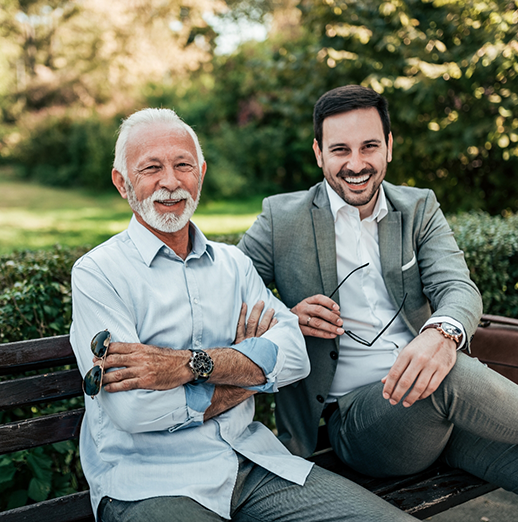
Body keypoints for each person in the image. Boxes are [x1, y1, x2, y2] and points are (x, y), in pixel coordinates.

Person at [70, 107, 416, 522]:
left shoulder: (233, 264)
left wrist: (187, 366)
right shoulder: (97, 274)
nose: (171, 181)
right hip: (150, 485)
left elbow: (294, 358)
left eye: (183, 165)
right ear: (122, 182)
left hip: (252, 464)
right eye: (151, 168)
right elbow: (134, 411)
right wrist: (252, 374)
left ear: (200, 172)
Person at [238, 85, 518, 493]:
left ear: (388, 146)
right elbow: (227, 295)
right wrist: (287, 317)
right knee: (447, 373)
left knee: (441, 368)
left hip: (443, 416)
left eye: (369, 146)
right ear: (319, 153)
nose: (356, 164)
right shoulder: (281, 218)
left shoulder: (418, 208)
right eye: (340, 150)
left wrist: (440, 334)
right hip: (359, 423)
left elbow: (458, 287)